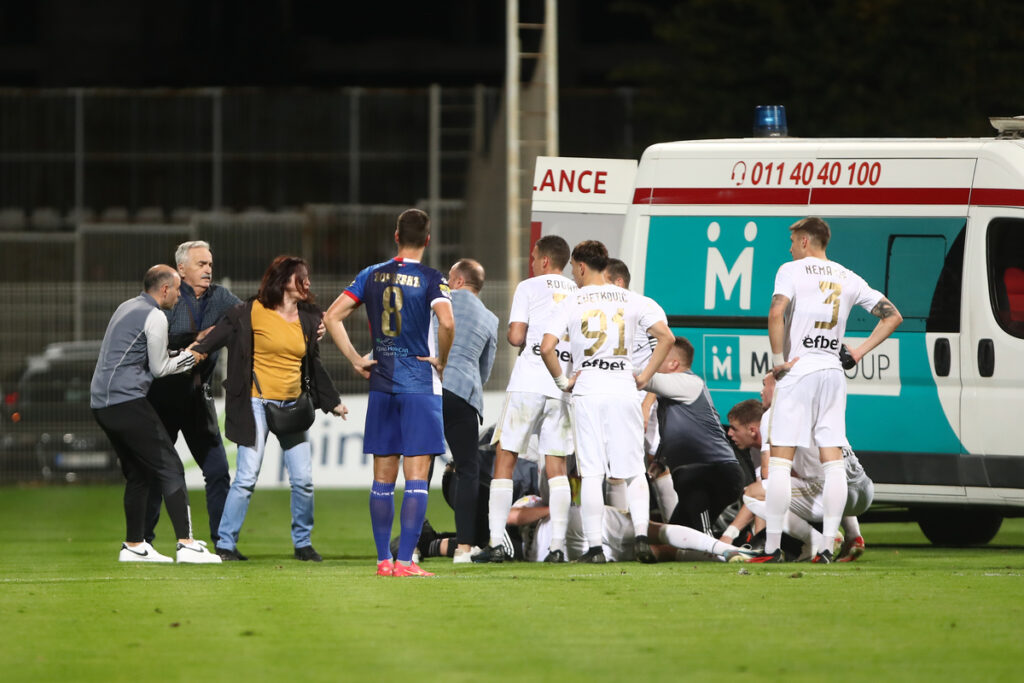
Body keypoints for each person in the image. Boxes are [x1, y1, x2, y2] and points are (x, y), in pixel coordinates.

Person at [754, 216, 902, 563]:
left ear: (805, 241)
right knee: (832, 462)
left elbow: (777, 312)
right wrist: (859, 351)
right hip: (833, 372)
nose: (790, 248)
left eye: (793, 241)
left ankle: (772, 547)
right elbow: (893, 315)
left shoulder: (791, 270)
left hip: (799, 369)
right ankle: (825, 550)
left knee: (779, 462)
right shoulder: (847, 276)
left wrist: (778, 362)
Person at [324, 208, 454, 578]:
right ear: (427, 240)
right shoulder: (432, 278)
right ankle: (405, 562)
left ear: (396, 236)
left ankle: (383, 560)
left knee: (382, 478)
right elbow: (446, 321)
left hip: (381, 383)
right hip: (419, 386)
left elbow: (332, 316)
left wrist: (354, 358)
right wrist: (441, 359)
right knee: (416, 476)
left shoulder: (370, 274)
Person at [192, 256, 347, 562]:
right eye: (300, 277)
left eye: (307, 277)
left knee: (303, 480)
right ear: (282, 280)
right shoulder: (248, 312)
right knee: (247, 476)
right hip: (255, 403)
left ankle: (302, 543)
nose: (307, 282)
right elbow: (214, 339)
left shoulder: (310, 317)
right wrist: (191, 353)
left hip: (293, 404)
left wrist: (332, 401)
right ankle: (225, 543)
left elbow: (312, 364)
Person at [541, 239, 674, 564]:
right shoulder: (633, 299)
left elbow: (547, 347)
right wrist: (644, 377)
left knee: (592, 473)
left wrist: (563, 381)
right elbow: (667, 337)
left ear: (582, 267)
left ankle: (596, 548)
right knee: (633, 472)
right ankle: (641, 536)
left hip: (589, 389)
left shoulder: (572, 301)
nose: (574, 274)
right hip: (623, 387)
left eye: (574, 268)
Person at [90, 265, 221, 564]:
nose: (179, 295)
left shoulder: (127, 306)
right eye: (177, 289)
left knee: (140, 473)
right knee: (170, 466)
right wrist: (192, 356)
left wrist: (180, 354)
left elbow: (144, 357)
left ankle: (135, 545)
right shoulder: (155, 316)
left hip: (102, 404)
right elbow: (160, 369)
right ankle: (187, 545)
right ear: (164, 289)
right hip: (126, 402)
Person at [475, 235, 577, 564]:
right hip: (561, 387)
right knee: (556, 467)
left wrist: (521, 335)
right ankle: (558, 547)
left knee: (505, 458)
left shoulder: (530, 287)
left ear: (545, 260)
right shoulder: (578, 292)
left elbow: (516, 335)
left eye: (535, 257)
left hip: (529, 382)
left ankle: (495, 543)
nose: (532, 262)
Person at [145, 240, 238, 547]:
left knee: (218, 471)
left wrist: (301, 319)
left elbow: (251, 316)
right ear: (181, 269)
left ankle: (223, 543)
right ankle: (142, 540)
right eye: (201, 264)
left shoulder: (220, 297)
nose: (208, 270)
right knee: (156, 472)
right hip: (163, 397)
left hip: (199, 397)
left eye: (210, 264)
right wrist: (200, 337)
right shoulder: (168, 295)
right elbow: (159, 336)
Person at [742, 372, 873, 562]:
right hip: (864, 490)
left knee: (755, 493)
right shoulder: (823, 406)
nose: (762, 392)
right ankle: (854, 536)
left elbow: (768, 472)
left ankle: (817, 540)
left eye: (765, 385)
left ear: (780, 386)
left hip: (828, 496)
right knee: (831, 474)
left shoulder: (773, 414)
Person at [646, 337, 746, 538]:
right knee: (675, 537)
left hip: (708, 472)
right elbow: (675, 432)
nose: (653, 363)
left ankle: (717, 552)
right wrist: (659, 460)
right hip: (699, 472)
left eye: (658, 358)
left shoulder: (688, 382)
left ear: (674, 364)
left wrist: (610, 368)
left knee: (701, 536)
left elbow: (645, 379)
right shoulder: (672, 394)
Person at [603, 258, 678, 521]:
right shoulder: (606, 311)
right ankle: (628, 533)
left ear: (619, 282)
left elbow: (664, 359)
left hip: (642, 396)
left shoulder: (645, 307)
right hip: (618, 396)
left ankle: (670, 529)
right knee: (624, 464)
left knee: (649, 464)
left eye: (604, 282)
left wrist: (647, 402)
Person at [437, 258, 498, 563]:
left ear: (459, 281)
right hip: (463, 393)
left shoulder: (439, 300)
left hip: (428, 386)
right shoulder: (490, 319)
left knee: (416, 466)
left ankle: (412, 545)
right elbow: (484, 371)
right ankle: (464, 548)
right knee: (468, 469)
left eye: (450, 278)